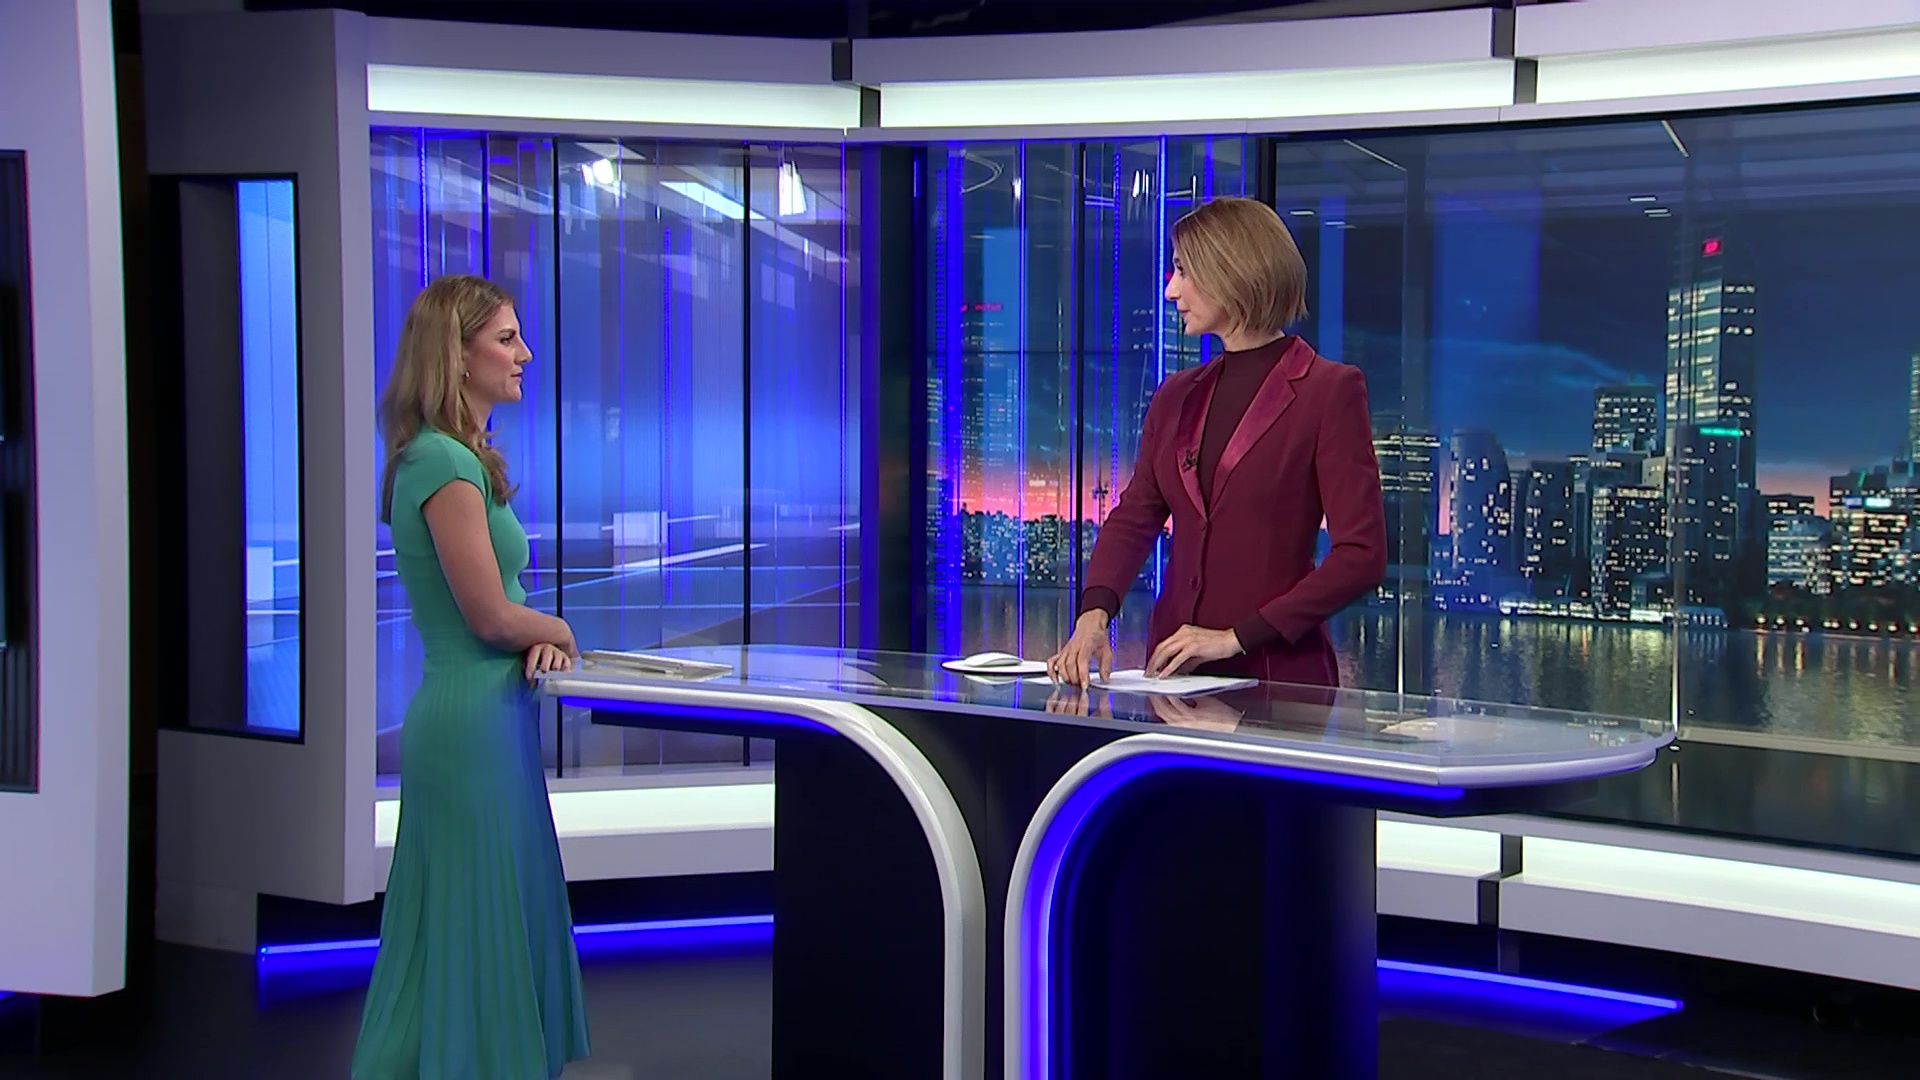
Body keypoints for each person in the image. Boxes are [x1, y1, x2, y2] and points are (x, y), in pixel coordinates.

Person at [353, 275, 590, 1079]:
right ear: (454, 355)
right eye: (506, 339)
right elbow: (488, 616)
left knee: (481, 916)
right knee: (468, 919)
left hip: (492, 718)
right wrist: (555, 630)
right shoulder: (443, 463)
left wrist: (535, 644)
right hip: (469, 730)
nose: (525, 355)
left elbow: (499, 617)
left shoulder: (452, 458)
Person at [1047, 197, 1386, 691]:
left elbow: (1362, 555)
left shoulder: (1329, 391)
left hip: (1277, 679)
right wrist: (1093, 617)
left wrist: (1235, 638)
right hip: (1172, 677)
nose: (1171, 290)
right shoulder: (1175, 395)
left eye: (1184, 271)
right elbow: (1136, 515)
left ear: (1231, 271)